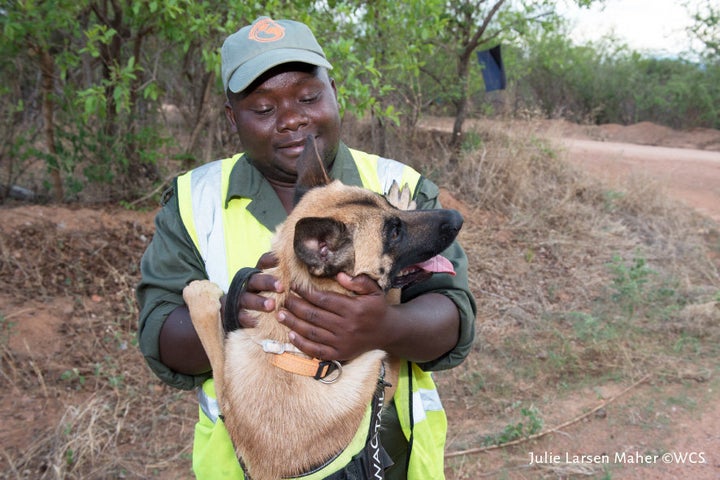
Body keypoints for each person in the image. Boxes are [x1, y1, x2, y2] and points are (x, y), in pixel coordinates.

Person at [137, 16, 476, 480]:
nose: (292, 118)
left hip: (386, 461)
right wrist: (230, 312)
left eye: (308, 97)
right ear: (232, 116)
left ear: (334, 91)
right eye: (262, 107)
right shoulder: (196, 201)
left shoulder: (397, 186)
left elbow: (454, 317)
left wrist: (384, 326)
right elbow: (159, 336)